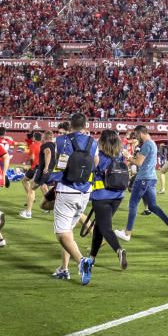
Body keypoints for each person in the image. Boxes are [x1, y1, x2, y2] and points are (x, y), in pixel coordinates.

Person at [49, 113, 98, 284]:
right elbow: (96, 163)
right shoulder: (93, 142)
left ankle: (82, 261)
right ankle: (64, 269)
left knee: (62, 234)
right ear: (86, 125)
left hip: (67, 190)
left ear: (70, 125)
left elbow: (60, 164)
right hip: (85, 191)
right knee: (68, 232)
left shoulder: (62, 140)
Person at [116, 125, 168, 244]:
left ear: (141, 133)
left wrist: (127, 155)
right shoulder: (152, 144)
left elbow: (138, 162)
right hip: (151, 178)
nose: (136, 137)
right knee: (152, 206)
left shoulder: (147, 144)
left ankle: (127, 233)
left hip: (143, 178)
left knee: (133, 204)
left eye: (136, 134)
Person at [86, 131, 129, 272]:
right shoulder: (120, 156)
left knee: (105, 228)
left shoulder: (100, 157)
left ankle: (119, 250)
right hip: (118, 196)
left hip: (101, 196)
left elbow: (90, 171)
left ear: (103, 142)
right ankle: (91, 257)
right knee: (99, 226)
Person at [19, 131, 43, 219]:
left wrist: (29, 165)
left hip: (34, 168)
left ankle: (29, 211)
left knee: (31, 188)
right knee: (25, 180)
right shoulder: (43, 145)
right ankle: (33, 199)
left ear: (34, 138)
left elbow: (32, 157)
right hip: (41, 168)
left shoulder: (33, 145)